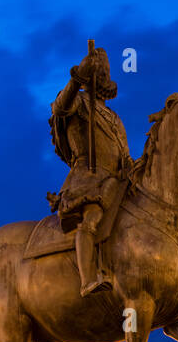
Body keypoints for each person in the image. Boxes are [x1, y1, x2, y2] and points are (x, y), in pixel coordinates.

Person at [48, 43, 135, 296]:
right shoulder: (78, 101)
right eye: (98, 71)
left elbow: (125, 156)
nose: (102, 76)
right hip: (87, 178)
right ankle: (88, 279)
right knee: (93, 217)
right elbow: (59, 108)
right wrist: (77, 77)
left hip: (115, 182)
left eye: (104, 72)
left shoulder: (114, 118)